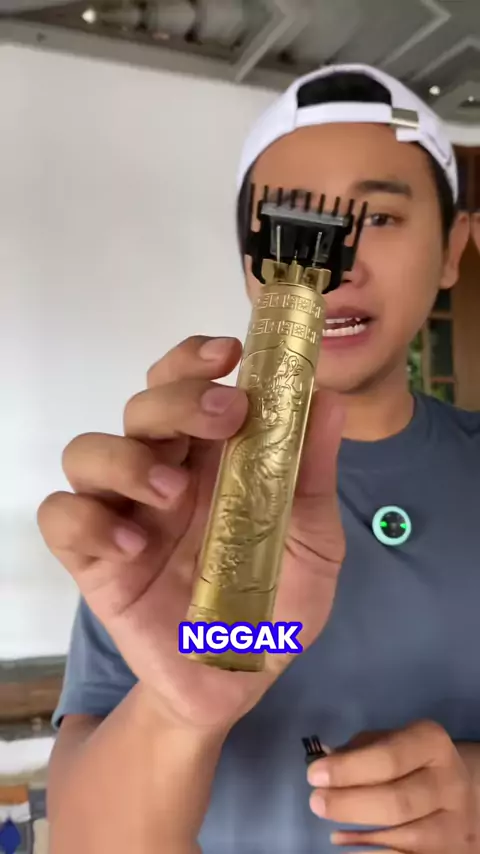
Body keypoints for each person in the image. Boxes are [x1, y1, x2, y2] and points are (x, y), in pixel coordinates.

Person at [37, 63, 480, 854]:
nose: (335, 260)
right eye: (291, 221)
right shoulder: (180, 504)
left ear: (453, 249)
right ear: (250, 252)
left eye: (379, 216)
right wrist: (184, 702)